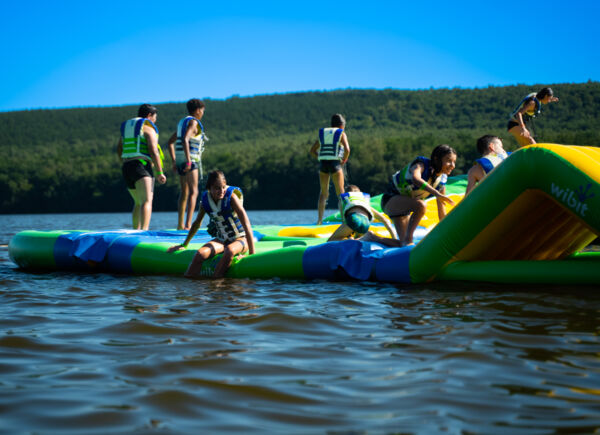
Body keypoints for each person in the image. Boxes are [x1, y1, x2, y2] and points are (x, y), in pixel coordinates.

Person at [167, 170, 255, 278]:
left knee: (229, 251)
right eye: (217, 188)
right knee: (200, 254)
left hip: (240, 239)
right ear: (210, 188)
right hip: (221, 240)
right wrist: (184, 244)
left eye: (223, 187)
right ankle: (189, 285)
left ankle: (215, 283)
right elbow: (196, 223)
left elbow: (246, 224)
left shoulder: (232, 198)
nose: (221, 191)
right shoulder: (205, 201)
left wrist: (251, 256)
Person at [381, 144, 457, 246]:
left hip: (405, 208)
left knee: (402, 244)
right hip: (390, 200)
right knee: (421, 205)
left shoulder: (441, 181)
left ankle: (371, 237)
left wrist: (447, 232)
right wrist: (436, 193)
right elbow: (415, 179)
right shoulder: (421, 165)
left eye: (454, 162)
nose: (452, 165)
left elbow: (441, 212)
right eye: (448, 160)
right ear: (436, 159)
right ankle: (409, 239)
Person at [116, 103, 167, 230]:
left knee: (138, 202)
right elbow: (153, 150)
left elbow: (119, 148)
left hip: (127, 166)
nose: (155, 120)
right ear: (149, 115)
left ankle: (136, 231)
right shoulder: (148, 128)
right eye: (155, 117)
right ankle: (144, 231)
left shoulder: (128, 130)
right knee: (146, 201)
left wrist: (124, 161)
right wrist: (159, 171)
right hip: (142, 166)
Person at [167, 99, 208, 230]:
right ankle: (188, 225)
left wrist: (174, 161)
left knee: (184, 192)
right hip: (190, 161)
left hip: (180, 161)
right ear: (197, 110)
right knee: (193, 192)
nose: (202, 113)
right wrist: (189, 160)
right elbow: (185, 139)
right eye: (202, 111)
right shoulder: (194, 122)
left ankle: (180, 224)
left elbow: (170, 142)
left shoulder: (182, 123)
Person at [309, 114, 350, 225]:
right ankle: (344, 220)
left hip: (323, 164)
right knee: (341, 193)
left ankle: (319, 221)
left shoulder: (323, 134)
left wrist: (320, 157)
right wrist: (344, 160)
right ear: (342, 125)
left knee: (323, 193)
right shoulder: (341, 133)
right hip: (335, 164)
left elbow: (312, 150)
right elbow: (347, 149)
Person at [328, 185, 397, 242]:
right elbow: (385, 220)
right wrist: (395, 239)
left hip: (354, 218)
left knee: (331, 241)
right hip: (366, 223)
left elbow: (344, 221)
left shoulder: (344, 199)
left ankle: (353, 240)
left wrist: (347, 235)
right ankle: (365, 237)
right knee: (358, 240)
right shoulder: (365, 203)